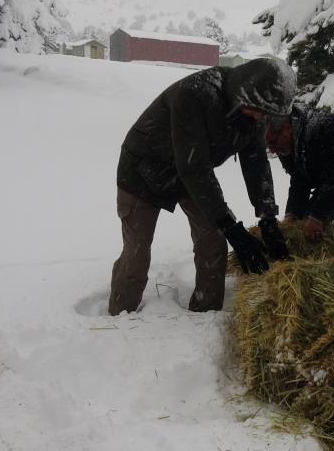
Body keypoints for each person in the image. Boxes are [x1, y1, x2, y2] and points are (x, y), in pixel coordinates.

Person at [109, 58, 295, 315]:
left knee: (213, 242)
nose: (261, 117)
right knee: (137, 255)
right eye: (258, 110)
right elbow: (194, 168)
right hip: (143, 170)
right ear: (245, 91)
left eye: (267, 113)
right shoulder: (197, 94)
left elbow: (256, 164)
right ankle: (119, 318)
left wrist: (268, 216)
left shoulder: (256, 109)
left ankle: (205, 315)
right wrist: (231, 226)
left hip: (190, 174)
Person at [263, 100, 334, 242]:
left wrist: (317, 217)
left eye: (273, 142)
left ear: (287, 128)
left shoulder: (323, 128)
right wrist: (291, 215)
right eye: (268, 145)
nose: (272, 149)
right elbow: (300, 180)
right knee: (302, 224)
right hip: (330, 182)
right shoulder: (290, 143)